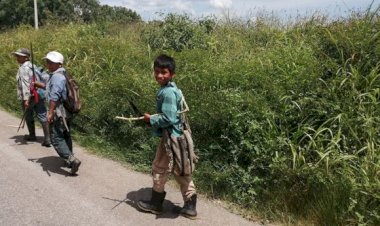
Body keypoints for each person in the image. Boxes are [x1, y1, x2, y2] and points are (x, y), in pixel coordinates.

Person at [137, 54, 198, 219]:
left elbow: (168, 118)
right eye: (157, 71)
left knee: (159, 168)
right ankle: (190, 207)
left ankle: (155, 204)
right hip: (180, 137)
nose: (159, 75)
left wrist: (151, 119)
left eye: (163, 72)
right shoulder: (173, 89)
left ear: (172, 74)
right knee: (182, 171)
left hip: (170, 139)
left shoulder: (168, 93)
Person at [43, 51, 81, 175]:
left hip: (59, 113)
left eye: (50, 62)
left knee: (56, 137)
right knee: (65, 135)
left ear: (58, 64)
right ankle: (69, 158)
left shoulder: (57, 76)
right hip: (66, 113)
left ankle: (71, 160)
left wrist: (50, 112)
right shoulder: (64, 74)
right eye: (47, 61)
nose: (48, 64)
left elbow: (54, 96)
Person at [13, 48, 51, 147]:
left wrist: (26, 99)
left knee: (28, 115)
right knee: (42, 115)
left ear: (25, 57)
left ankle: (32, 135)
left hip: (29, 97)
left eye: (19, 56)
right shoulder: (33, 66)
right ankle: (48, 139)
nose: (16, 58)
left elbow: (26, 84)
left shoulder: (23, 68)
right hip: (38, 94)